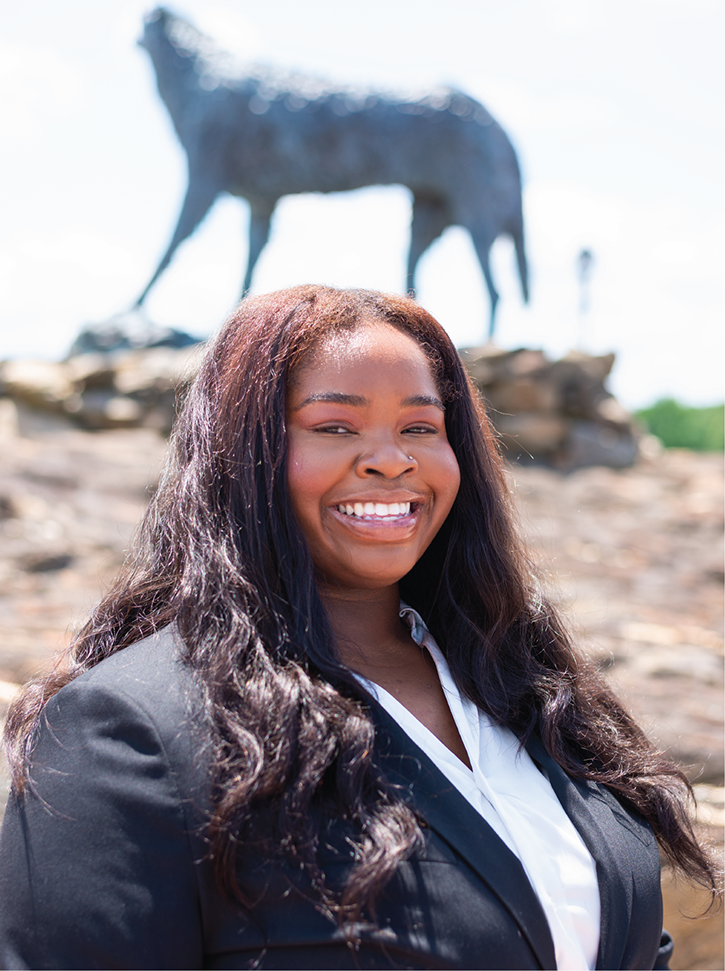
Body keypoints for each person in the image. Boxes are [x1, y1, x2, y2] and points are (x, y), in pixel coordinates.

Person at [0, 286, 717, 970]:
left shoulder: (526, 690)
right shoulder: (135, 729)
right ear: (240, 459)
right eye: (334, 426)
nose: (389, 457)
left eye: (419, 427)